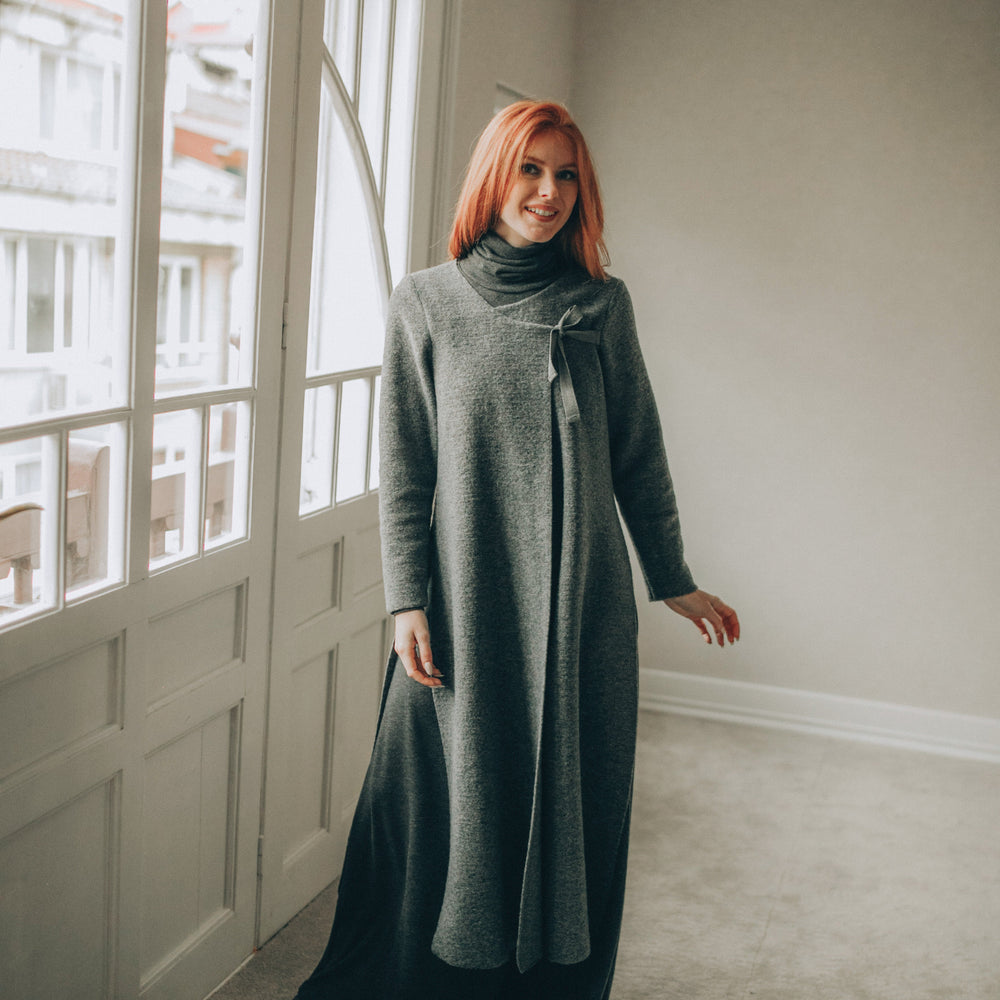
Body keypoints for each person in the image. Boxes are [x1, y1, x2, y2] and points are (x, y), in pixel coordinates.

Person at [294, 99, 740, 1000]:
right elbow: (406, 464)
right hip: (463, 603)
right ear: (494, 177)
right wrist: (406, 601)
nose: (549, 192)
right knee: (436, 809)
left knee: (574, 808)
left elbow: (638, 455)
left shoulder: (602, 306)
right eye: (531, 170)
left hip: (581, 609)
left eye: (566, 174)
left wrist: (673, 579)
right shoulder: (426, 302)